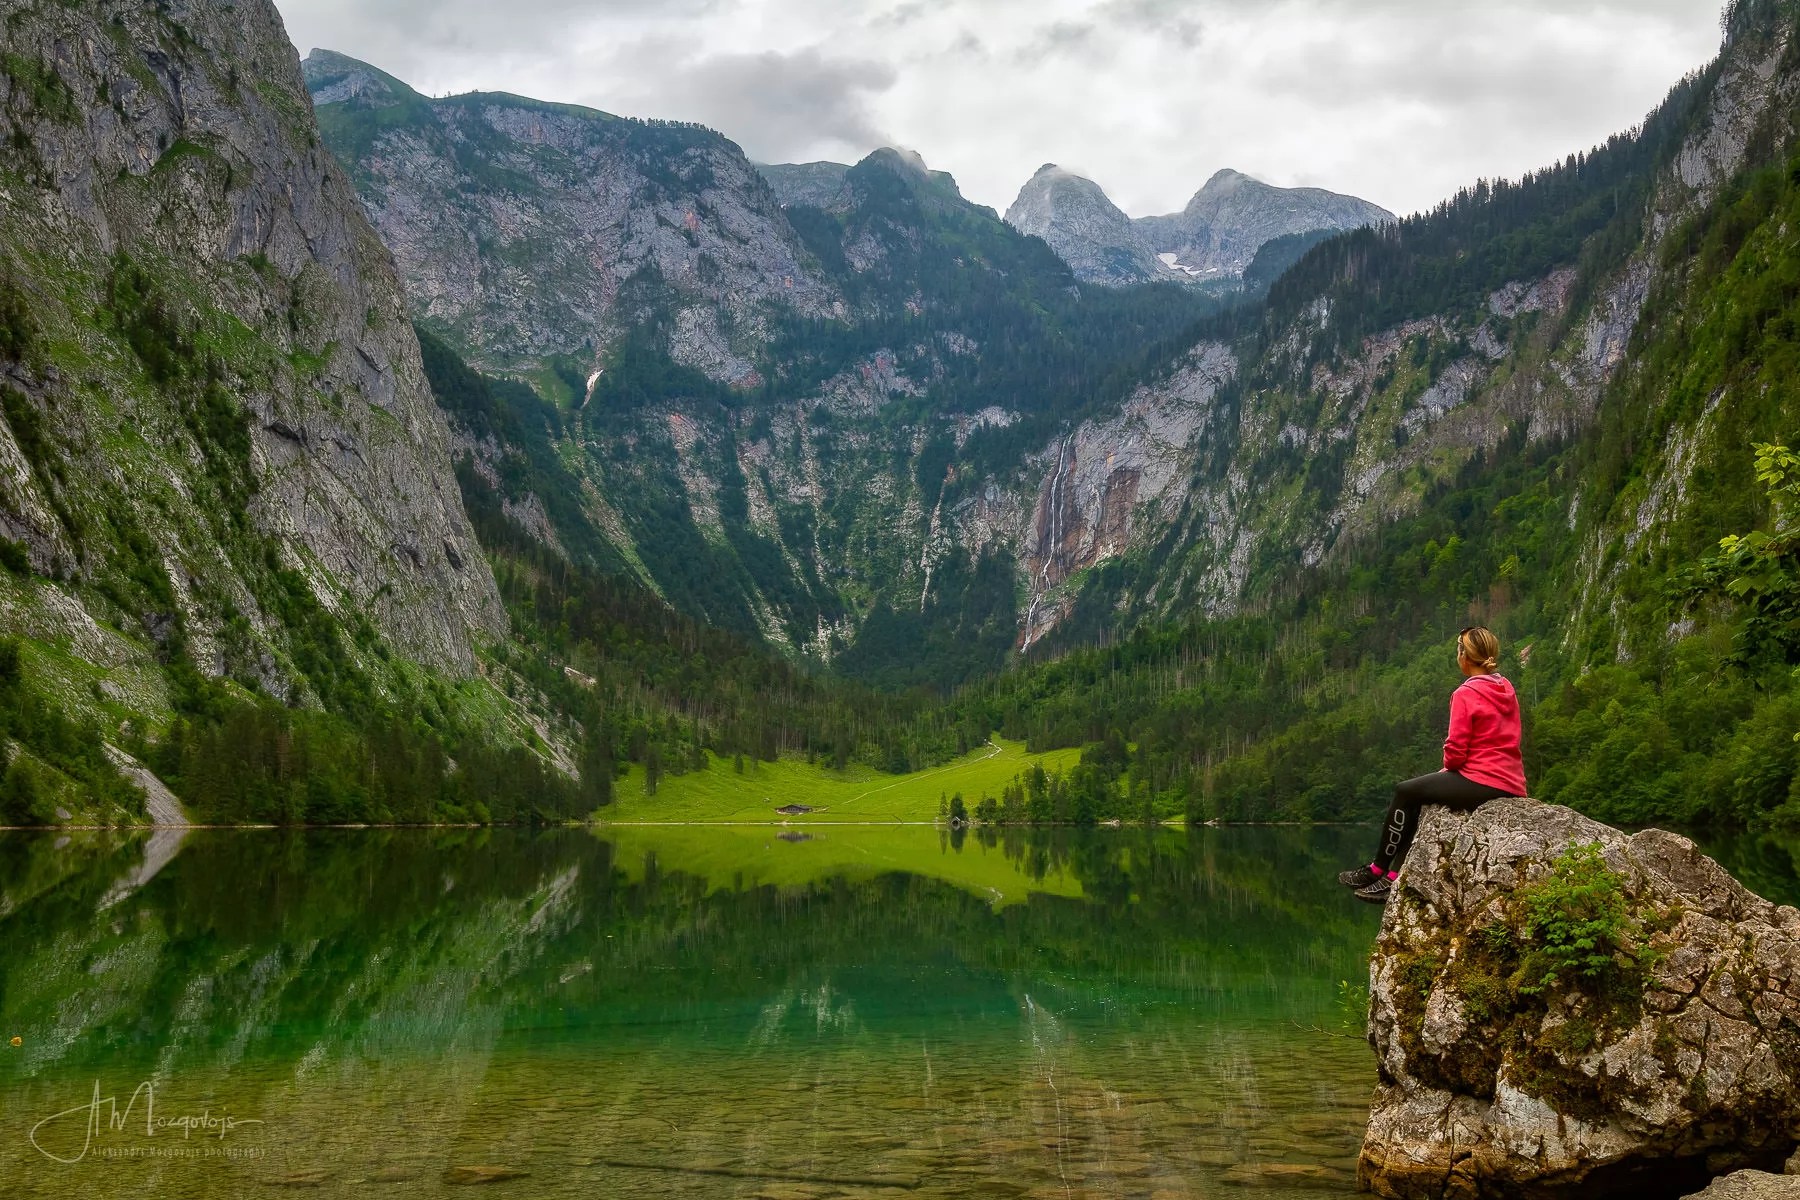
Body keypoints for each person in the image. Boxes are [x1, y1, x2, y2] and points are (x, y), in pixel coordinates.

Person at [1339, 626, 1527, 904]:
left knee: (1406, 791)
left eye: (1458, 650)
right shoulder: (1505, 688)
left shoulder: (1466, 693)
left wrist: (1448, 769)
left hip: (1483, 780)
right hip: (1511, 782)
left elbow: (1456, 751)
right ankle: (1391, 877)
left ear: (1464, 656)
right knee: (1420, 795)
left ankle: (1379, 870)